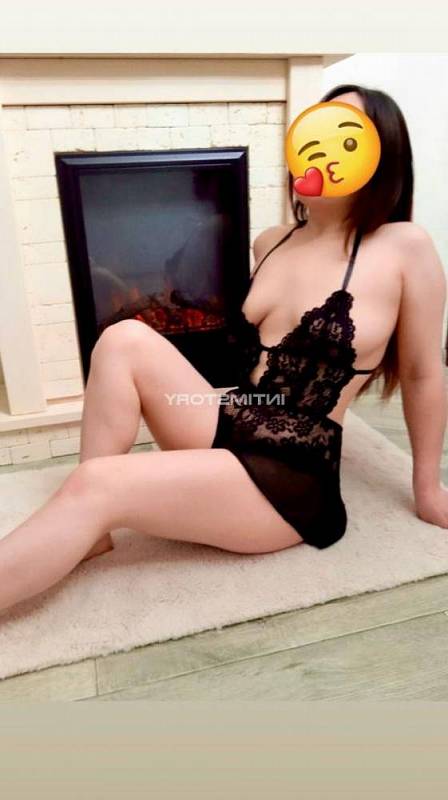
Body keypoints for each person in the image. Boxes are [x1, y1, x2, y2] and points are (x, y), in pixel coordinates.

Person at [1, 83, 447, 615]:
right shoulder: (272, 241)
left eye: (345, 136)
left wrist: (428, 489)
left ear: (380, 155)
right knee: (122, 338)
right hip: (235, 416)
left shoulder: (404, 248)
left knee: (98, 484)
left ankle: (92, 506)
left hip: (292, 472)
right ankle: (90, 531)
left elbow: (423, 373)